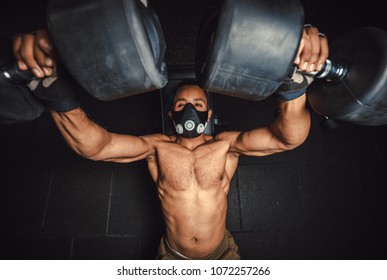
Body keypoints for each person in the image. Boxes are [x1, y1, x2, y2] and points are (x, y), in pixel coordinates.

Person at [12, 25, 329, 260]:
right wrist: (57, 94)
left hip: (222, 255)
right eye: (181, 105)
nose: (190, 109)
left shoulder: (227, 146)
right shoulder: (156, 148)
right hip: (171, 257)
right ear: (170, 114)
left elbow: (288, 137)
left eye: (198, 104)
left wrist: (294, 84)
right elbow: (96, 146)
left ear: (209, 113)